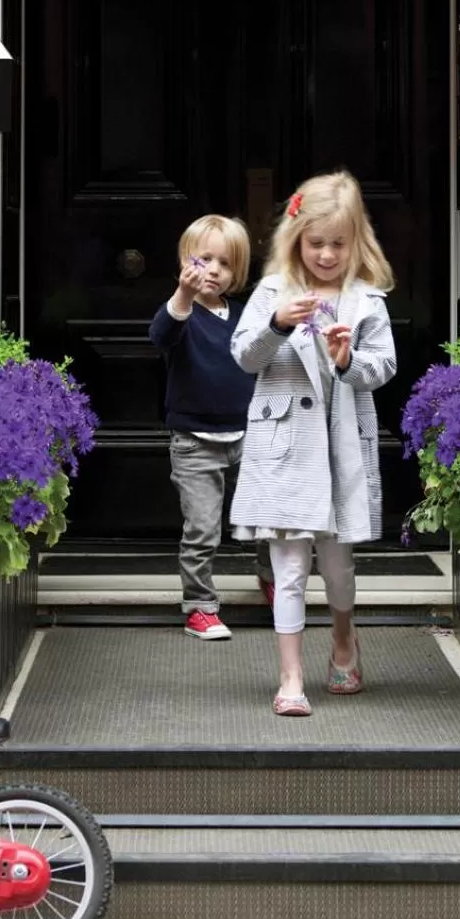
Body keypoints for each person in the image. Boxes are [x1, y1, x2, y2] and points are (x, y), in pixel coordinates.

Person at [230, 172, 396, 715]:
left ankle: (344, 638)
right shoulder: (272, 294)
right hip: (286, 449)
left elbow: (385, 366)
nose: (326, 255)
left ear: (357, 242)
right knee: (289, 570)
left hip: (340, 447)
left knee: (338, 566)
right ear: (296, 239)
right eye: (316, 243)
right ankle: (291, 677)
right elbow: (244, 358)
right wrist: (276, 325)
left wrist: (349, 360)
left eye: (338, 244)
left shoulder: (365, 300)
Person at [149, 214, 275, 639]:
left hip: (248, 435)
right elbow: (161, 335)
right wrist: (182, 295)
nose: (215, 270)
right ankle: (200, 606)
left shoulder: (243, 315)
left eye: (226, 263)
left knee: (266, 518)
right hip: (195, 442)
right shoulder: (181, 313)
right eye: (205, 260)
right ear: (186, 262)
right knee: (202, 528)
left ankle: (273, 580)